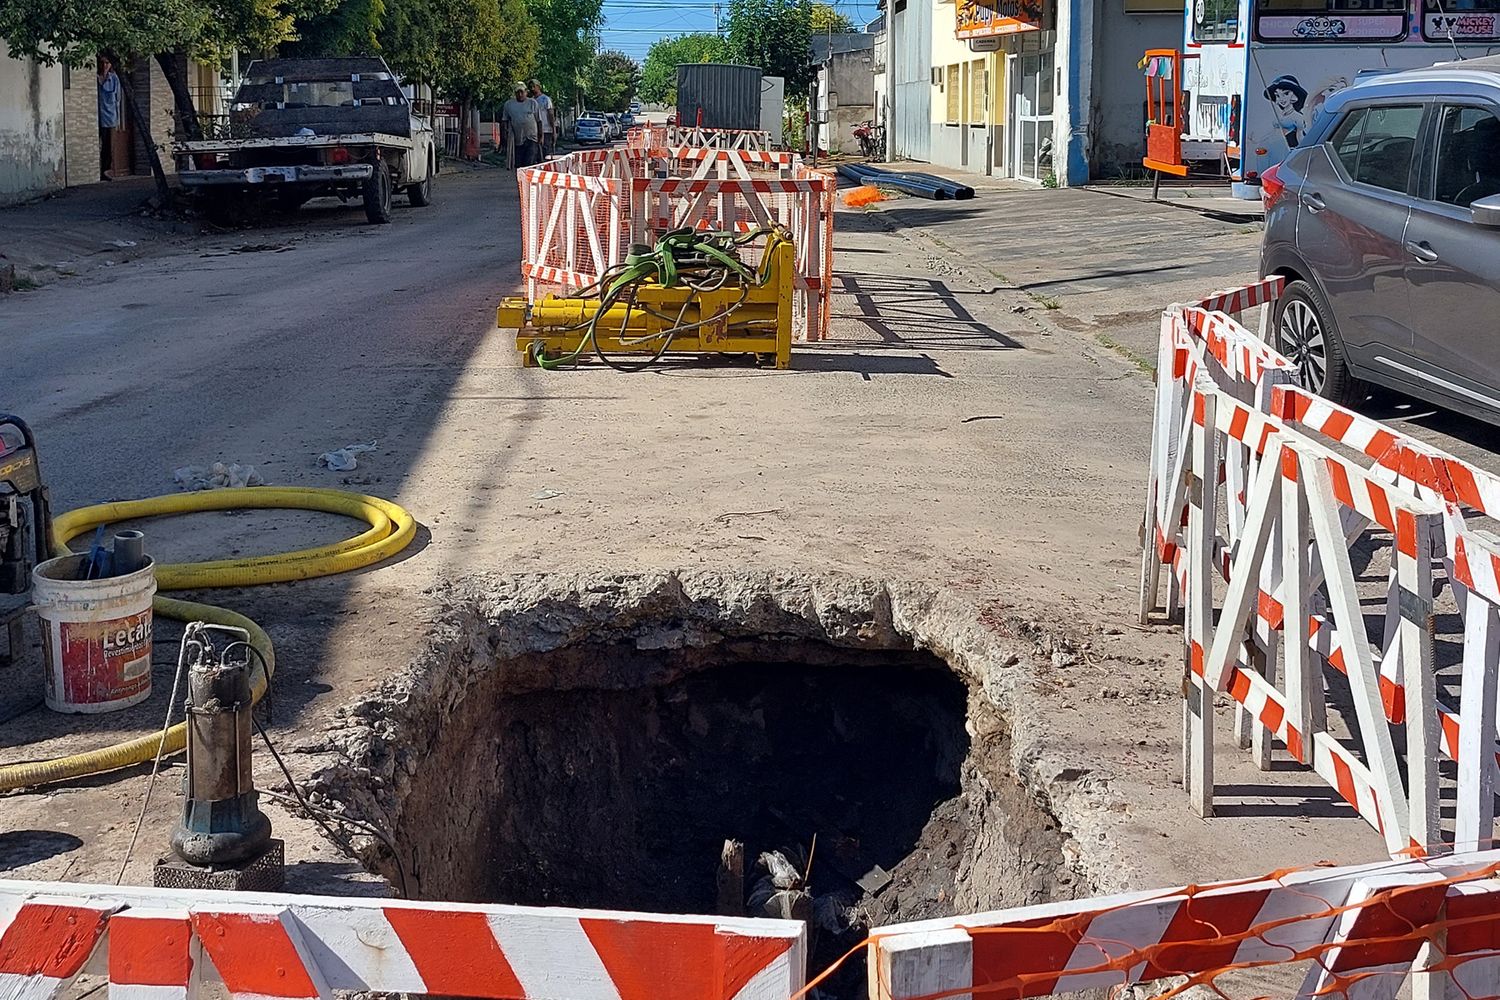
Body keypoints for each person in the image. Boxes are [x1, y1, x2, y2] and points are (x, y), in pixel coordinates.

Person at [501, 85, 541, 168]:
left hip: (531, 137)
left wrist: (541, 135)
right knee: (519, 164)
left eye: (522, 92)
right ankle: (521, 180)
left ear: (526, 92)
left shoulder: (532, 103)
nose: (520, 94)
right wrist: (504, 136)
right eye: (517, 92)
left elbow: (539, 120)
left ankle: (528, 179)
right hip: (517, 139)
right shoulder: (509, 104)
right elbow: (504, 121)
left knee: (529, 161)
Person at [97, 54, 121, 181]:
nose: (104, 65)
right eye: (102, 63)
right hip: (97, 116)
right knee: (98, 143)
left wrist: (118, 120)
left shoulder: (114, 79)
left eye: (107, 63)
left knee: (107, 145)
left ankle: (105, 170)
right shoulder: (96, 78)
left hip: (110, 116)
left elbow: (118, 99)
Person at [528, 79, 555, 158]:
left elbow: (551, 114)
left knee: (544, 151)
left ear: (538, 87)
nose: (532, 89)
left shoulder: (545, 99)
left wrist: (553, 130)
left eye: (534, 86)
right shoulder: (530, 101)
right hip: (534, 131)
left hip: (546, 130)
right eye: (530, 87)